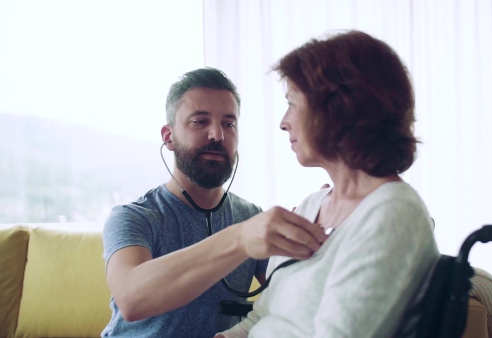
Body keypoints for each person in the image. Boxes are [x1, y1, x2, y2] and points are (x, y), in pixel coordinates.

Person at [216, 30, 440, 338]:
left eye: (292, 103)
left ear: (337, 107)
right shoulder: (311, 207)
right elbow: (262, 315)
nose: (284, 121)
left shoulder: (393, 214)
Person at [101, 67, 329, 337]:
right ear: (168, 137)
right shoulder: (133, 217)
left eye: (228, 124)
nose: (217, 135)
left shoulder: (250, 216)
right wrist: (241, 238)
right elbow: (131, 298)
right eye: (200, 121)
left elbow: (292, 296)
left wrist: (318, 224)